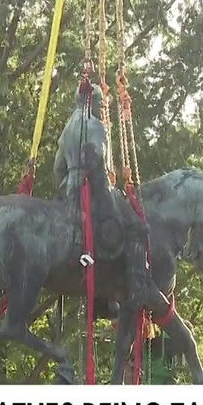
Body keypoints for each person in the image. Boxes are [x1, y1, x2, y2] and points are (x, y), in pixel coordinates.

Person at [53, 82, 169, 314]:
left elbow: (58, 169)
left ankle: (100, 299)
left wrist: (67, 190)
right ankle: (136, 287)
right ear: (93, 103)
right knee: (137, 226)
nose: (102, 110)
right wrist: (108, 186)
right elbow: (97, 162)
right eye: (101, 105)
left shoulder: (68, 129)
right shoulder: (95, 126)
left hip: (70, 192)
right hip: (95, 189)